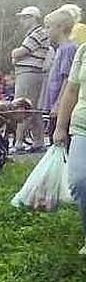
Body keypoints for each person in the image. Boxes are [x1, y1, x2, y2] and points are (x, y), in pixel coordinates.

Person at [53, 43, 86, 253]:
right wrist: (60, 127)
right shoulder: (83, 50)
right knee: (79, 181)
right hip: (82, 126)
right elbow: (71, 89)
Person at [12, 5, 51, 153]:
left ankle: (19, 143)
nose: (21, 20)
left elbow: (20, 52)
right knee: (34, 109)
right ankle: (38, 142)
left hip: (29, 72)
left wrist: (14, 53)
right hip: (30, 72)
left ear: (32, 18)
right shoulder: (34, 34)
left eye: (24, 17)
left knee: (22, 107)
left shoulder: (38, 33)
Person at [44, 7, 78, 141]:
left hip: (62, 108)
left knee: (59, 141)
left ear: (60, 27)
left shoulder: (68, 49)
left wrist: (58, 104)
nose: (46, 31)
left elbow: (67, 79)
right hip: (54, 104)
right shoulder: (59, 49)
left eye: (48, 27)